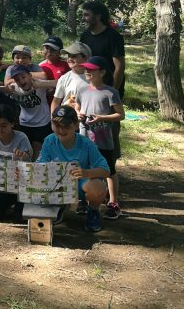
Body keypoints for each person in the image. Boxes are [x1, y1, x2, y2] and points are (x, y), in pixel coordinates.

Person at [38, 105, 110, 233]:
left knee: (99, 187)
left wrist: (85, 173)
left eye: (66, 126)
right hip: (57, 184)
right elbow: (39, 166)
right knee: (39, 179)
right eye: (56, 125)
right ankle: (59, 205)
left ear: (76, 125)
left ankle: (93, 212)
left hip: (80, 184)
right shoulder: (49, 141)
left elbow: (105, 170)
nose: (61, 130)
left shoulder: (86, 144)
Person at [76, 56, 125, 221]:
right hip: (84, 138)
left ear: (103, 72)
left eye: (92, 69)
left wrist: (102, 118)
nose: (87, 71)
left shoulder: (110, 92)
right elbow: (77, 107)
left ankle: (113, 203)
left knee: (109, 171)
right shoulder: (82, 90)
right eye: (86, 69)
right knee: (84, 168)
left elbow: (121, 115)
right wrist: (79, 115)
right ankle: (84, 200)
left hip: (104, 140)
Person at [0, 105, 32, 222]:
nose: (0, 129)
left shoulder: (21, 138)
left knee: (20, 218)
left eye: (4, 125)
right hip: (2, 186)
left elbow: (29, 164)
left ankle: (20, 206)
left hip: (21, 185)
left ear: (12, 124)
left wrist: (23, 156)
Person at [6, 64, 57, 159]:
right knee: (24, 152)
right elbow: (1, 88)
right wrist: (6, 87)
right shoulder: (14, 88)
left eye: (23, 77)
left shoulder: (39, 83)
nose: (21, 81)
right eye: (17, 79)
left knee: (38, 152)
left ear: (30, 75)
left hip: (42, 123)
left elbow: (59, 82)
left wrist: (41, 85)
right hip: (24, 123)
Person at [79, 1, 126, 95]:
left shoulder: (114, 37)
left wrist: (113, 91)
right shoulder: (85, 36)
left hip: (108, 87)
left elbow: (119, 67)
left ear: (98, 16)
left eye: (86, 15)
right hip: (89, 86)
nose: (83, 18)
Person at [50, 42, 91, 113]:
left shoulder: (95, 75)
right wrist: (54, 121)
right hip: (68, 120)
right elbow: (56, 102)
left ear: (85, 57)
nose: (69, 59)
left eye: (74, 56)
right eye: (68, 56)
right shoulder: (64, 78)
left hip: (90, 120)